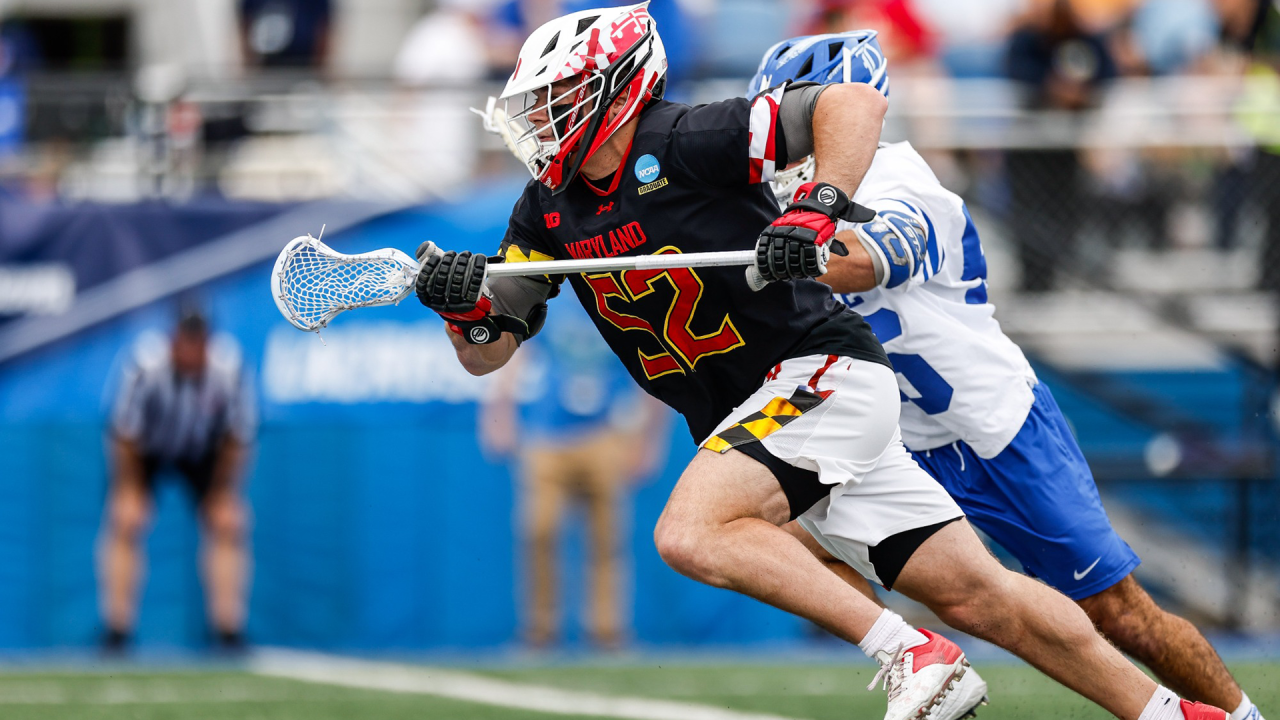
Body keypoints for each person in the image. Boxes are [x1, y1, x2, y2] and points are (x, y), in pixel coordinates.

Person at [418, 5, 1225, 720]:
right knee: (986, 598)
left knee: (690, 531)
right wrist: (464, 310)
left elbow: (851, 99)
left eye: (557, 101)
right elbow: (489, 353)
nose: (543, 123)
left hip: (819, 374)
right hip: (772, 412)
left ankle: (914, 655)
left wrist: (817, 206)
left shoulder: (686, 136)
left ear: (615, 89)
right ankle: (1172, 714)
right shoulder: (545, 206)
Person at [750, 29, 1267, 720]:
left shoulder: (902, 180)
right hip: (891, 439)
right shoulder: (779, 203)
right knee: (757, 518)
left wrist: (781, 250)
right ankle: (911, 651)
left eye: (798, 117)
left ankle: (1238, 715)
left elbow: (868, 258)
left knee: (1120, 612)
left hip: (992, 430)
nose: (784, 138)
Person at [480, 299, 666, 648]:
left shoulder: (620, 303)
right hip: (547, 437)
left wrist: (648, 441)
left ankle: (607, 631)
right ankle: (539, 630)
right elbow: (514, 354)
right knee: (539, 532)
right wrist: (500, 411)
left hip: (606, 435)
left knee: (607, 538)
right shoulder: (548, 301)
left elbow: (652, 371)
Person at [99, 308, 256, 652]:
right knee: (124, 518)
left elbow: (238, 437)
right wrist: (130, 487)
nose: (190, 350)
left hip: (202, 451)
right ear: (173, 339)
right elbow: (123, 433)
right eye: (185, 341)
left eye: (197, 342)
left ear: (207, 343)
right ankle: (116, 630)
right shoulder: (144, 364)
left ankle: (229, 630)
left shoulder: (228, 368)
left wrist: (221, 492)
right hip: (147, 450)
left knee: (229, 522)